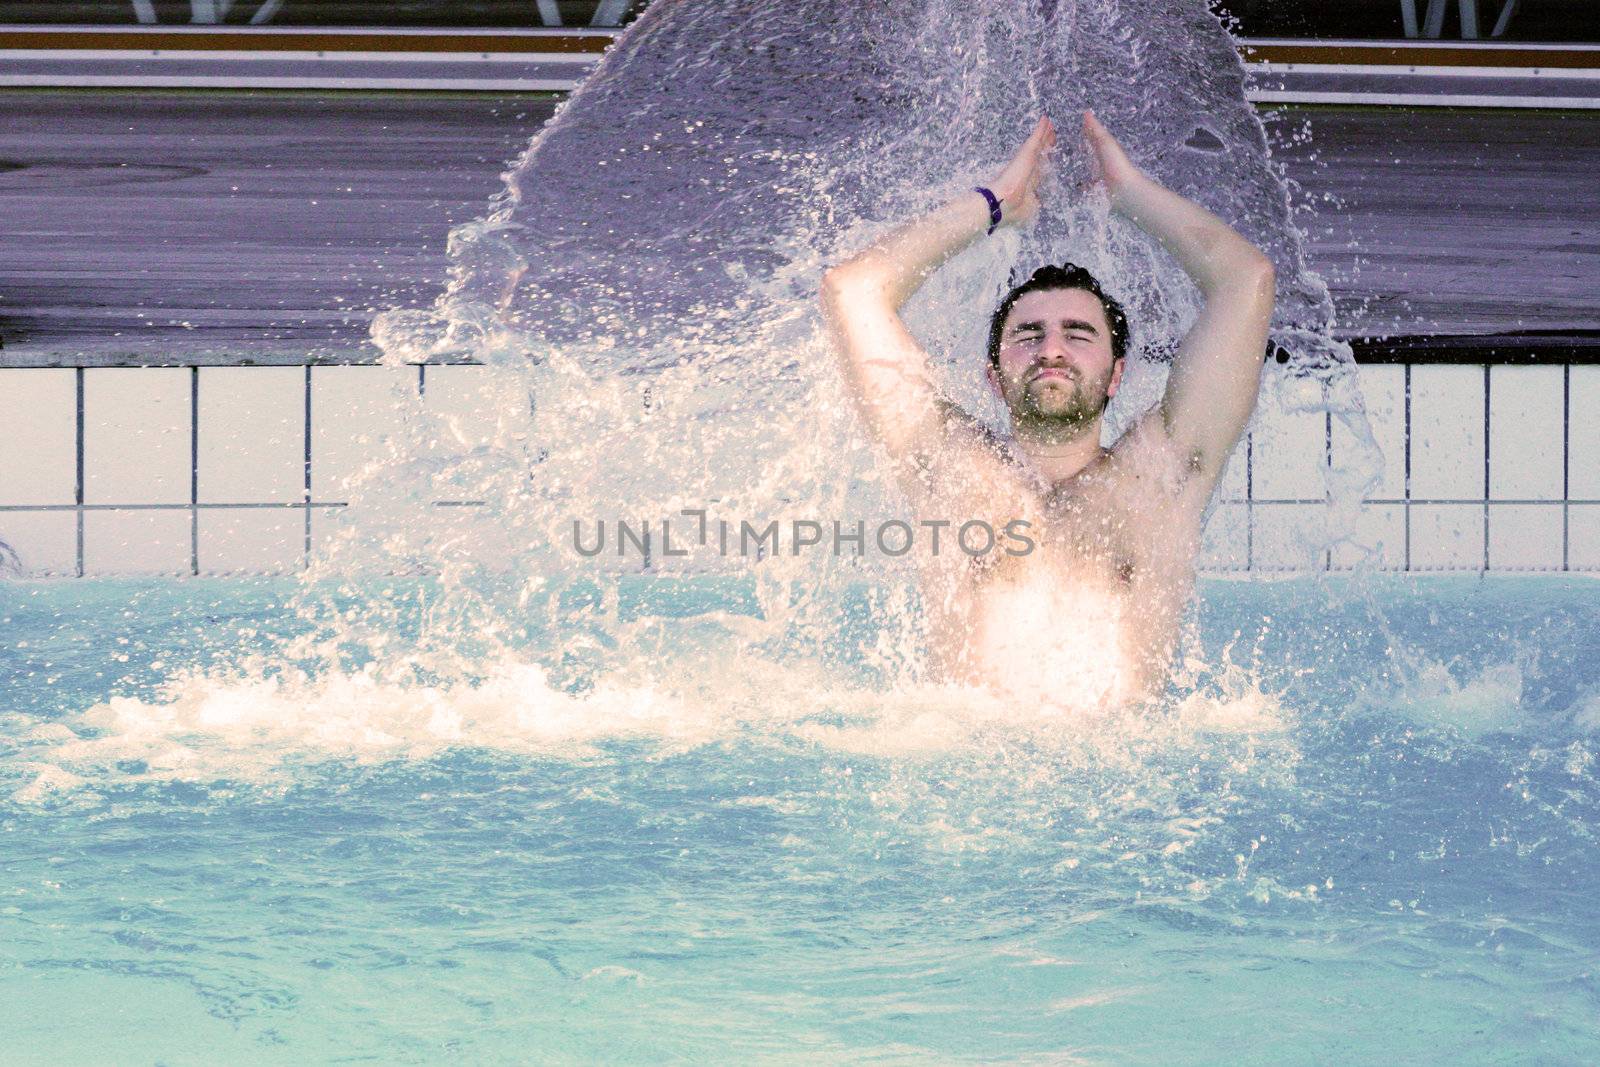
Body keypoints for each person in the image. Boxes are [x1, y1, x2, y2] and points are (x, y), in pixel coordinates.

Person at [821, 112, 1275, 706]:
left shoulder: (1161, 475)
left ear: (1117, 376)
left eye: (1078, 335)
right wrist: (996, 204)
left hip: (1125, 771)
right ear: (993, 376)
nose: (1052, 350)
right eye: (1028, 334)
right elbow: (851, 290)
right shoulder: (947, 466)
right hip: (968, 766)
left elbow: (1247, 279)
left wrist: (1133, 197)